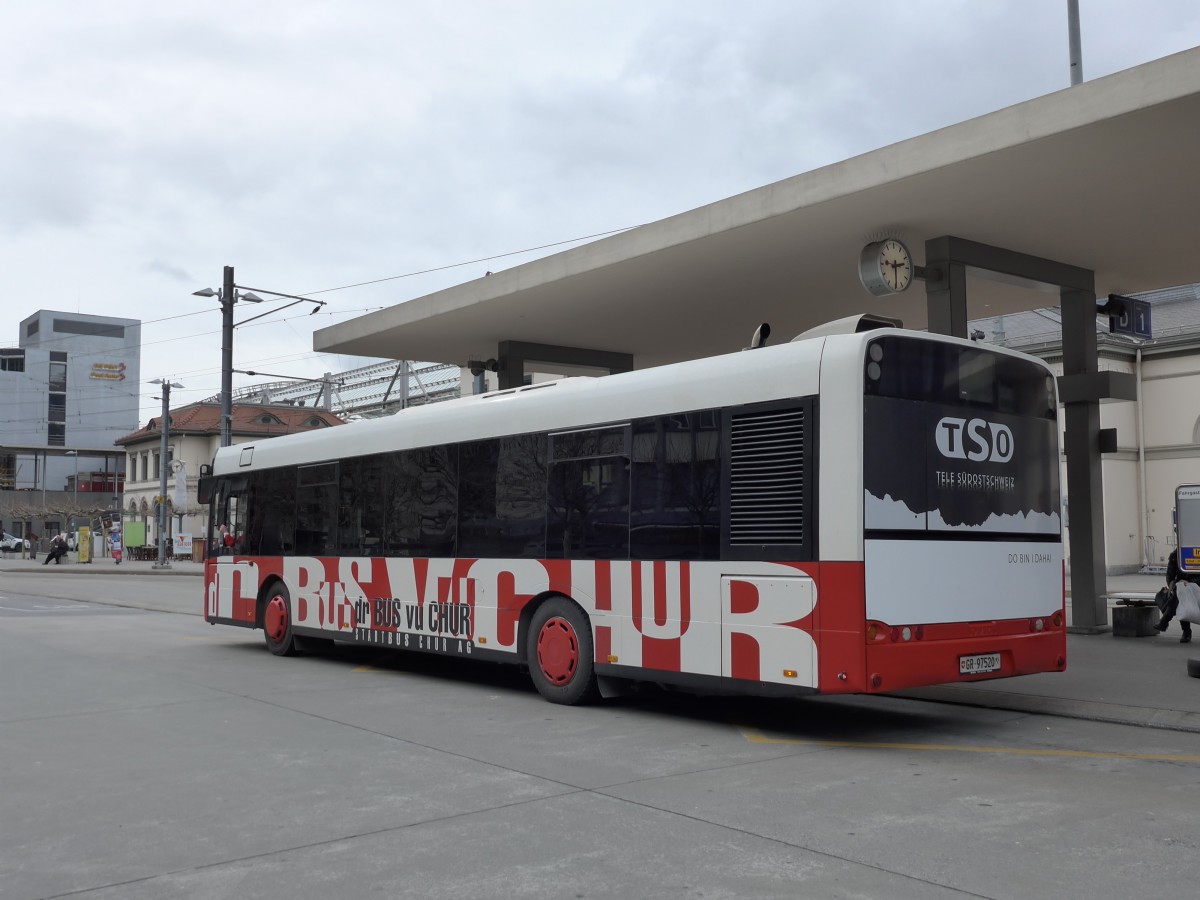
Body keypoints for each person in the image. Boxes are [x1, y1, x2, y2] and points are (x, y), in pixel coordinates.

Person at [1155, 548, 1196, 643]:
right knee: (1180, 594)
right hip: (1180, 589)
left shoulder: (1196, 551)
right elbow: (1169, 576)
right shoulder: (1175, 555)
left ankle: (1165, 622)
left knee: (1180, 595)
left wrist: (1189, 583)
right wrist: (1173, 585)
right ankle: (1185, 631)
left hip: (1196, 587)